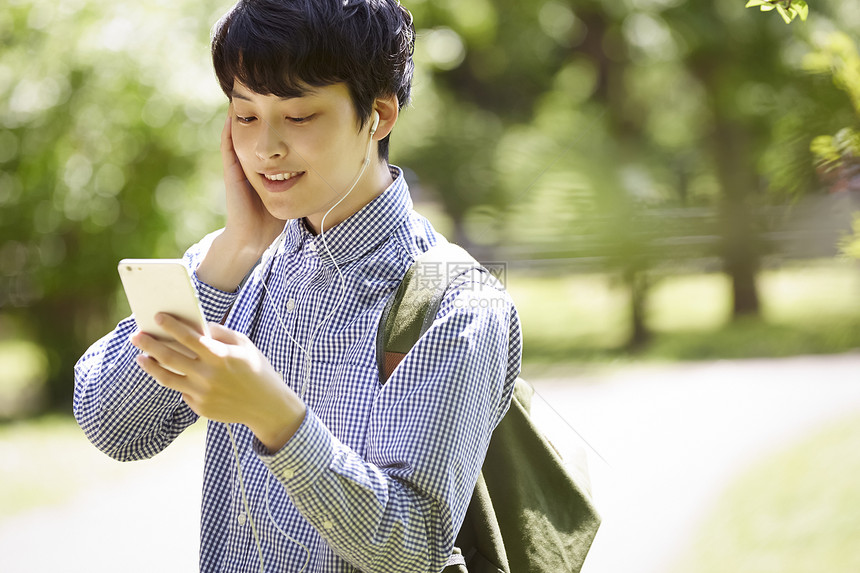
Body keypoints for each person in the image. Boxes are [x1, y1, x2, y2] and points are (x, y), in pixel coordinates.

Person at [74, 1, 522, 571]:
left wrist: (278, 420)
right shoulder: (235, 264)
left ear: (379, 115)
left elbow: (416, 545)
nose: (266, 149)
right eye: (246, 116)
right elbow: (111, 426)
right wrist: (234, 250)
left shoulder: (457, 302)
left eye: (299, 116)